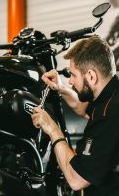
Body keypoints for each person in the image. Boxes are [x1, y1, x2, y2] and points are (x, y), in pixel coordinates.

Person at [31, 35, 119, 196]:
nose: (70, 81)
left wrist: (52, 129)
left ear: (91, 76)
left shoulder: (110, 115)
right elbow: (83, 108)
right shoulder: (111, 94)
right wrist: (61, 88)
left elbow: (76, 180)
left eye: (73, 75)